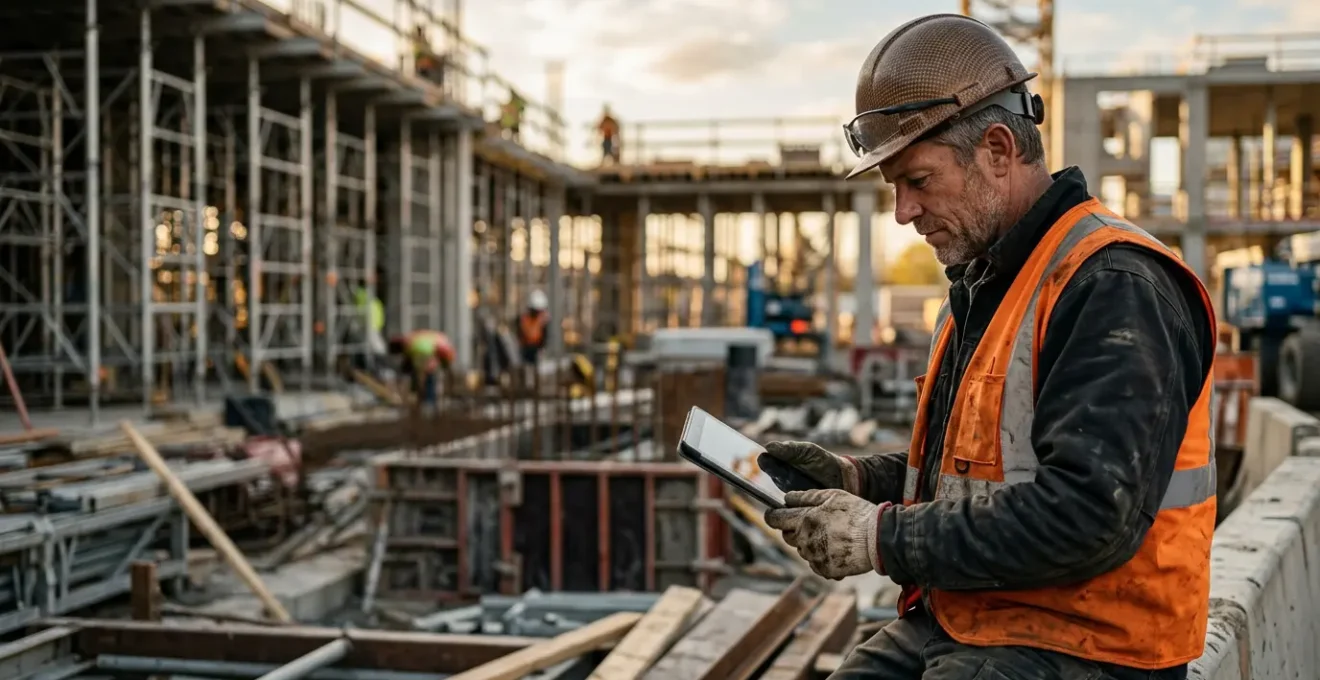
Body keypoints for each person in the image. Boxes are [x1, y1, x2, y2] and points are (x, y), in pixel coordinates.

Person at [761, 14, 1215, 680]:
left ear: (998, 152)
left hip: (1090, 645)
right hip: (981, 617)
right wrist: (859, 480)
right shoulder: (990, 283)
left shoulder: (1113, 284)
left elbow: (1090, 515)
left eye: (917, 181)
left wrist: (876, 536)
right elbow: (977, 472)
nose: (903, 213)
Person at [388, 329, 455, 409]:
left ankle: (419, 397)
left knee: (422, 376)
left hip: (419, 350)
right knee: (428, 377)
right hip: (427, 350)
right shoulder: (440, 340)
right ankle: (426, 400)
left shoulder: (418, 338)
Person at [516, 289, 550, 365]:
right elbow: (531, 335)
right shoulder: (525, 321)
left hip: (540, 353)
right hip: (527, 353)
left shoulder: (545, 321)